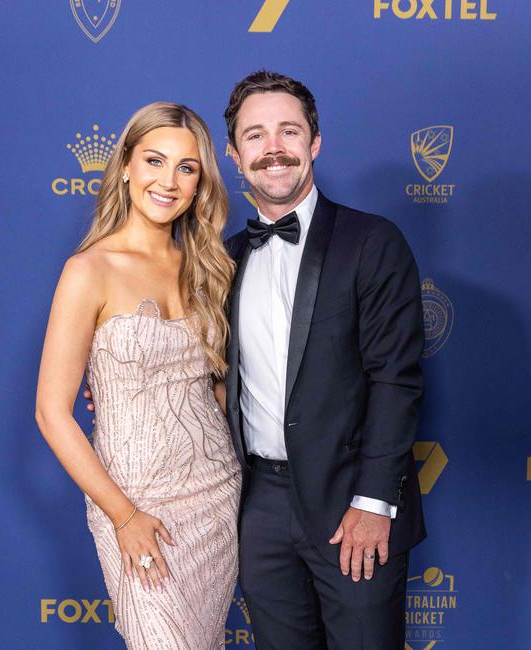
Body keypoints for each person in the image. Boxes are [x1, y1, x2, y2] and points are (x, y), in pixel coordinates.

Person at [223, 71, 426, 649]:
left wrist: (374, 500)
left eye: (289, 131)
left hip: (351, 501)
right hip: (257, 506)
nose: (274, 149)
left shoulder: (371, 241)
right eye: (255, 136)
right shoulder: (223, 260)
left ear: (315, 143)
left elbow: (396, 379)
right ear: (235, 155)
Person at [35, 102, 241, 650]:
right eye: (154, 160)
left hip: (216, 496)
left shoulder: (208, 265)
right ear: (125, 166)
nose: (167, 181)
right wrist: (124, 517)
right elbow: (52, 413)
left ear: (200, 184)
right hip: (134, 499)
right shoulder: (88, 271)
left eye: (186, 167)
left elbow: (218, 391)